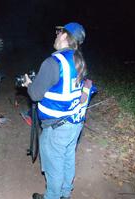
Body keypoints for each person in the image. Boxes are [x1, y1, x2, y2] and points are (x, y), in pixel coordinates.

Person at [23, 22, 96, 199]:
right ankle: (65, 193)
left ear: (64, 36)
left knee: (54, 165)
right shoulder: (79, 60)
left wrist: (28, 84)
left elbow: (35, 95)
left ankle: (52, 196)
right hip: (75, 123)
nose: (56, 35)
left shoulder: (52, 62)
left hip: (57, 127)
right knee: (67, 159)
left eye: (58, 32)